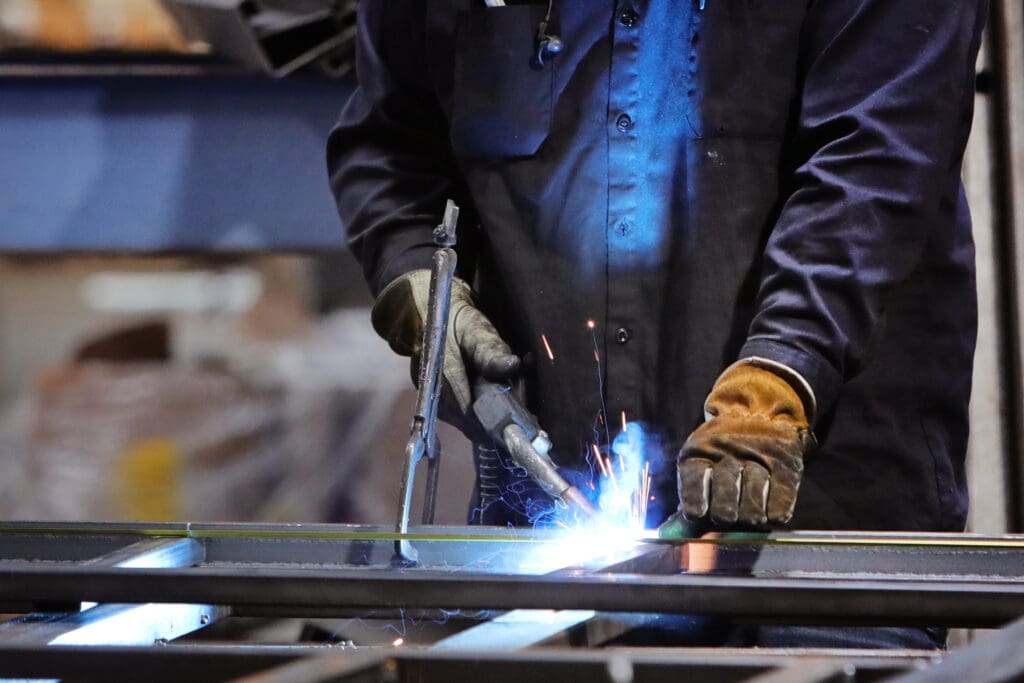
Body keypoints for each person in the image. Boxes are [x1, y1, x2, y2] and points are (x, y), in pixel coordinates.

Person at [328, 1, 987, 648]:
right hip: (558, 542)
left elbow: (874, 164)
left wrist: (778, 380)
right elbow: (391, 146)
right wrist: (417, 277)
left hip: (821, 542)